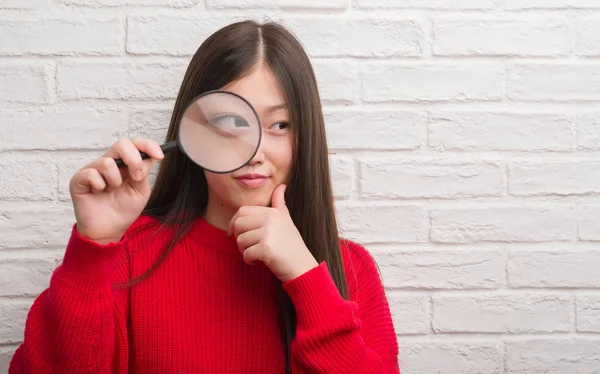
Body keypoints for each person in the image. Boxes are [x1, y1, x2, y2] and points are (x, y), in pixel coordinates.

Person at [9, 20, 400, 373]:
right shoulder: (130, 255)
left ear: (305, 137)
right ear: (194, 130)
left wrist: (305, 276)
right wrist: (92, 249)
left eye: (280, 124)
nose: (256, 150)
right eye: (230, 122)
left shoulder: (350, 269)